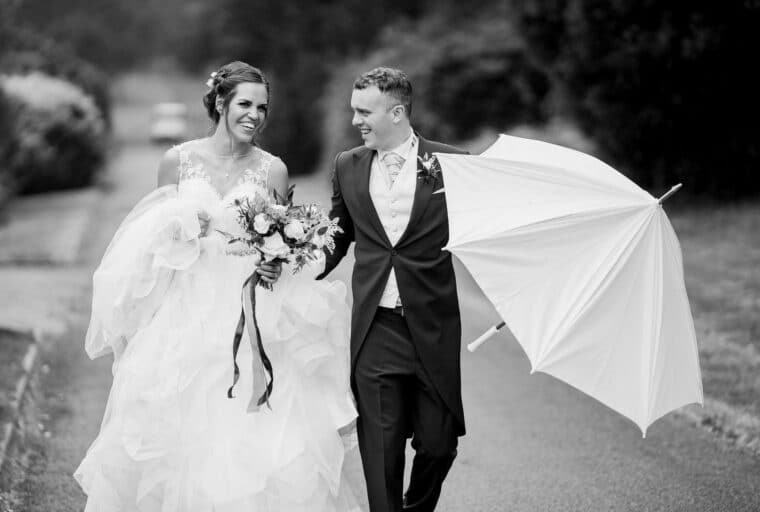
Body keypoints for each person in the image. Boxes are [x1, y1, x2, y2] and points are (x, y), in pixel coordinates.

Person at [75, 61, 360, 511]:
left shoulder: (274, 171)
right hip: (186, 316)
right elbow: (152, 246)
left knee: (256, 441)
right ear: (221, 103)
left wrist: (274, 265)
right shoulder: (178, 161)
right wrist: (182, 232)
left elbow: (282, 245)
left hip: (253, 316)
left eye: (262, 107)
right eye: (245, 104)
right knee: (179, 438)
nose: (255, 115)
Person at [317, 67, 468, 512]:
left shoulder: (454, 164)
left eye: (364, 112)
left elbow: (485, 228)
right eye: (353, 111)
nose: (355, 121)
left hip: (433, 328)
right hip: (376, 330)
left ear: (397, 112)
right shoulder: (347, 165)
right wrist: (293, 270)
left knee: (439, 445)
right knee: (381, 455)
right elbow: (337, 238)